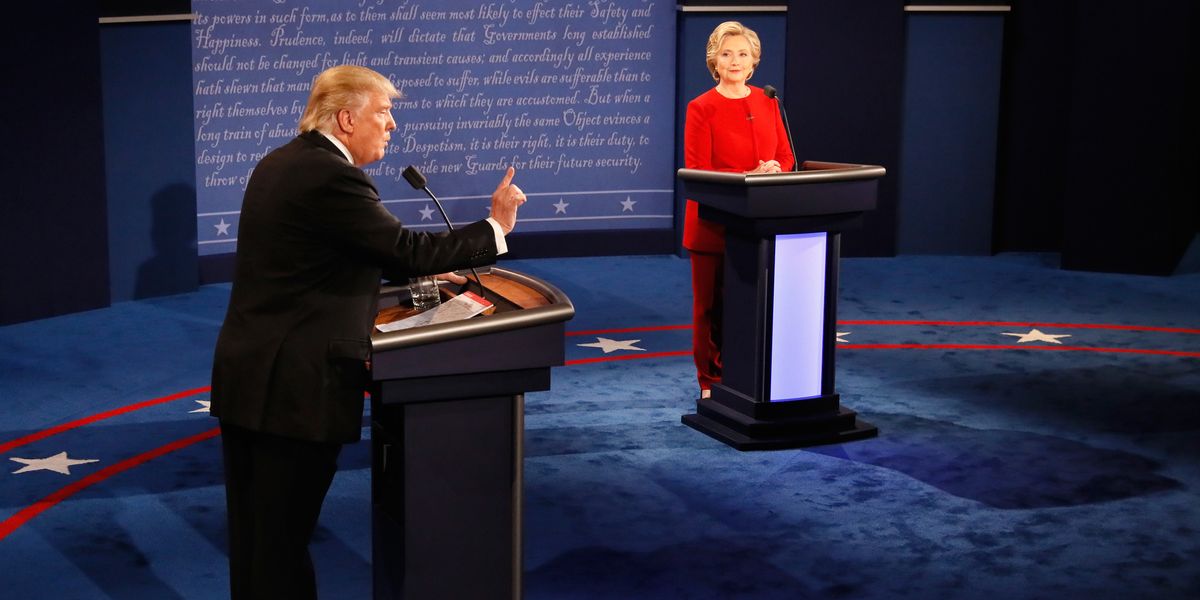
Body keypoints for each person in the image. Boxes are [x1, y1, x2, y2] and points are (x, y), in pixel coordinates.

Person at [210, 64, 526, 599]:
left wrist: (421, 272)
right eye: (383, 112)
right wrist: (494, 226)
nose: (392, 124)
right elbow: (403, 248)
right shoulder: (330, 175)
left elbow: (327, 254)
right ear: (345, 117)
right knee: (279, 547)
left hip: (255, 380)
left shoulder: (287, 161)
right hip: (292, 390)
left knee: (261, 543)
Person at [683, 21, 795, 399]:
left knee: (752, 306)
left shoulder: (768, 102)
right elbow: (698, 169)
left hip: (759, 223)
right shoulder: (701, 108)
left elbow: (785, 156)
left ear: (754, 62)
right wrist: (749, 173)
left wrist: (775, 168)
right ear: (714, 60)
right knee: (711, 310)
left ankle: (749, 376)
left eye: (742, 54)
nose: (735, 60)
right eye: (727, 53)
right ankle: (710, 381)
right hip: (712, 225)